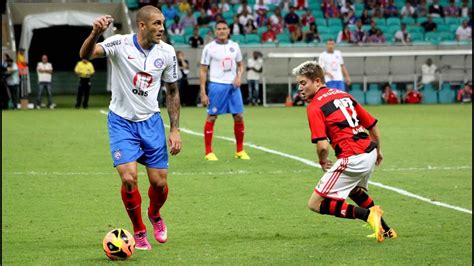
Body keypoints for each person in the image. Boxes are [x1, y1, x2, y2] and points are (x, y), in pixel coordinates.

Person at [79, 5, 182, 250]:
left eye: (163, 23)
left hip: (151, 122)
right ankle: (138, 230)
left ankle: (155, 215)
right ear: (142, 25)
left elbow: (173, 91)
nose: (162, 28)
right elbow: (86, 54)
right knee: (129, 178)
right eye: (157, 23)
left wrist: (175, 129)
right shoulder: (118, 44)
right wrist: (95, 32)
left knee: (158, 183)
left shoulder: (167, 52)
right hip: (121, 122)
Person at [292, 61, 397, 243]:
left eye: (303, 83)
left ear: (317, 81)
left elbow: (322, 146)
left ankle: (368, 215)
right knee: (354, 190)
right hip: (369, 152)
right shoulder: (343, 95)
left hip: (353, 158)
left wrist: (323, 161)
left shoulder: (315, 106)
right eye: (298, 84)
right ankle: (387, 230)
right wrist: (378, 151)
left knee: (315, 204)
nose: (300, 88)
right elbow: (372, 126)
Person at [199, 21, 250, 161]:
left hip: (233, 87)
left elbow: (241, 65)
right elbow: (203, 70)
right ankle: (208, 152)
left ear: (228, 30)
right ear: (216, 31)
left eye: (224, 28)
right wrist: (203, 92)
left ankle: (240, 150)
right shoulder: (209, 48)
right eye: (219, 29)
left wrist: (239, 76)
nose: (221, 31)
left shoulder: (235, 46)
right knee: (212, 117)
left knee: (239, 116)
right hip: (217, 86)